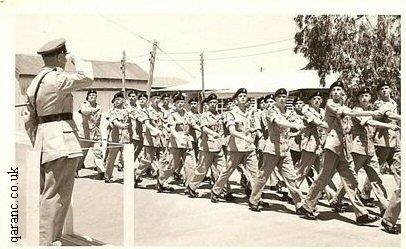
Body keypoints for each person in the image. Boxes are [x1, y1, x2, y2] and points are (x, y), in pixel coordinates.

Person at [24, 38, 93, 245]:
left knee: (48, 193)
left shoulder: (35, 82)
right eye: (65, 56)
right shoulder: (57, 78)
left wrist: (38, 143)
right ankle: (46, 242)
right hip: (62, 142)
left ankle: (46, 239)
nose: (66, 59)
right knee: (57, 195)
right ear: (60, 56)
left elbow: (29, 120)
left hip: (46, 140)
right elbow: (87, 77)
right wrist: (76, 58)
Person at [302, 81, 383, 224]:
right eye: (335, 90)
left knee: (351, 179)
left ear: (343, 93)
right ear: (331, 93)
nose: (337, 92)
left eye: (340, 90)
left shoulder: (343, 106)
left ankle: (361, 214)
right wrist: (372, 113)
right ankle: (307, 205)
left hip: (344, 149)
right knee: (324, 177)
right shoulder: (330, 104)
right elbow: (349, 113)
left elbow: (349, 124)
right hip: (333, 146)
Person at [329, 87, 397, 215]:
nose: (365, 98)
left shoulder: (370, 111)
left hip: (370, 149)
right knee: (351, 178)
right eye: (362, 96)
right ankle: (336, 199)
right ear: (358, 99)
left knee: (376, 178)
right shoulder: (357, 110)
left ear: (370, 98)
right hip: (358, 150)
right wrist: (388, 125)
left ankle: (385, 207)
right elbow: (368, 122)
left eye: (367, 96)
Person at [248, 88, 313, 217]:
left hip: (285, 149)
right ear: (276, 99)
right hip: (272, 148)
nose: (282, 99)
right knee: (263, 177)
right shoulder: (271, 110)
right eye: (280, 97)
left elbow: (299, 121)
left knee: (291, 178)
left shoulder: (290, 112)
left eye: (284, 97)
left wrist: (301, 123)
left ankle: (299, 205)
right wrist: (293, 125)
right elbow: (278, 121)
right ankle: (253, 200)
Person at [211, 88, 260, 203]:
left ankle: (256, 199)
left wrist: (253, 131)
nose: (243, 97)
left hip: (249, 148)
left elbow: (249, 127)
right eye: (240, 96)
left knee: (255, 173)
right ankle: (216, 191)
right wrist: (245, 137)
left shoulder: (250, 112)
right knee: (227, 171)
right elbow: (232, 131)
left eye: (244, 95)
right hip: (236, 148)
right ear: (236, 100)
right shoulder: (231, 113)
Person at [186, 93, 234, 201]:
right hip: (206, 147)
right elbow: (204, 128)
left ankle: (226, 192)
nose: (213, 104)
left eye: (215, 102)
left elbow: (223, 129)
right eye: (211, 102)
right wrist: (214, 134)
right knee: (202, 170)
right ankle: (191, 187)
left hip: (218, 147)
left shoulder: (219, 115)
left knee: (222, 171)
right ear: (207, 104)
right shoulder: (204, 115)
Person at [360, 81, 401, 203]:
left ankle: (401, 193)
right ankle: (364, 193)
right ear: (378, 93)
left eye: (386, 88)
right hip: (382, 141)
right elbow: (388, 114)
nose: (384, 90)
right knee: (374, 171)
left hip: (395, 141)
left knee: (399, 169)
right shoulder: (378, 104)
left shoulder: (393, 103)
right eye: (382, 89)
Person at [157, 92, 197, 191]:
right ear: (174, 104)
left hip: (187, 142)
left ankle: (190, 187)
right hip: (175, 143)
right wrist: (178, 138)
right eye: (178, 102)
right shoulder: (172, 114)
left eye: (182, 102)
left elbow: (193, 124)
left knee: (190, 165)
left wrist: (201, 129)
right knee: (172, 166)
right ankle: (161, 181)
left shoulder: (187, 114)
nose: (180, 104)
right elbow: (172, 129)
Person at [134, 92, 167, 187]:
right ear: (151, 100)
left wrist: (166, 130)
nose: (157, 100)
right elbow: (147, 124)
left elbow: (164, 123)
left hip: (161, 139)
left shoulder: (162, 111)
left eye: (158, 98)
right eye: (154, 98)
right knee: (148, 160)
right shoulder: (146, 110)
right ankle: (136, 175)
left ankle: (161, 182)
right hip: (150, 138)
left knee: (163, 160)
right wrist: (156, 130)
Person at [77, 90, 105, 179]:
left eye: (94, 95)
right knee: (81, 153)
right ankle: (75, 170)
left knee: (98, 153)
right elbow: (85, 111)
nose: (92, 96)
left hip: (96, 133)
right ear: (87, 97)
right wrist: (93, 110)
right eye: (90, 95)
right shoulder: (84, 104)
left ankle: (101, 172)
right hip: (85, 134)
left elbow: (98, 119)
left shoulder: (99, 107)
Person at [104, 91, 131, 183]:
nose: (117, 101)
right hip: (114, 137)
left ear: (123, 100)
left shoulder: (127, 110)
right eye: (115, 100)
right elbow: (114, 121)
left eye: (119, 99)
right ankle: (107, 176)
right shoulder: (112, 111)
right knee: (111, 158)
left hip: (125, 137)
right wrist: (122, 125)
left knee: (126, 158)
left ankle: (128, 177)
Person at [127, 90, 145, 163]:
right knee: (127, 147)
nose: (131, 98)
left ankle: (130, 162)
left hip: (136, 129)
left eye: (133, 96)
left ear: (136, 97)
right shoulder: (125, 106)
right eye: (130, 96)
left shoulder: (138, 107)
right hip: (127, 129)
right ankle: (122, 163)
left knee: (137, 148)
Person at [289, 97, 305, 166]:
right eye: (296, 103)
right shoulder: (290, 115)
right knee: (292, 163)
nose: (298, 105)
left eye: (300, 103)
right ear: (294, 106)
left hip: (304, 143)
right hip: (293, 143)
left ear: (303, 105)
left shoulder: (307, 115)